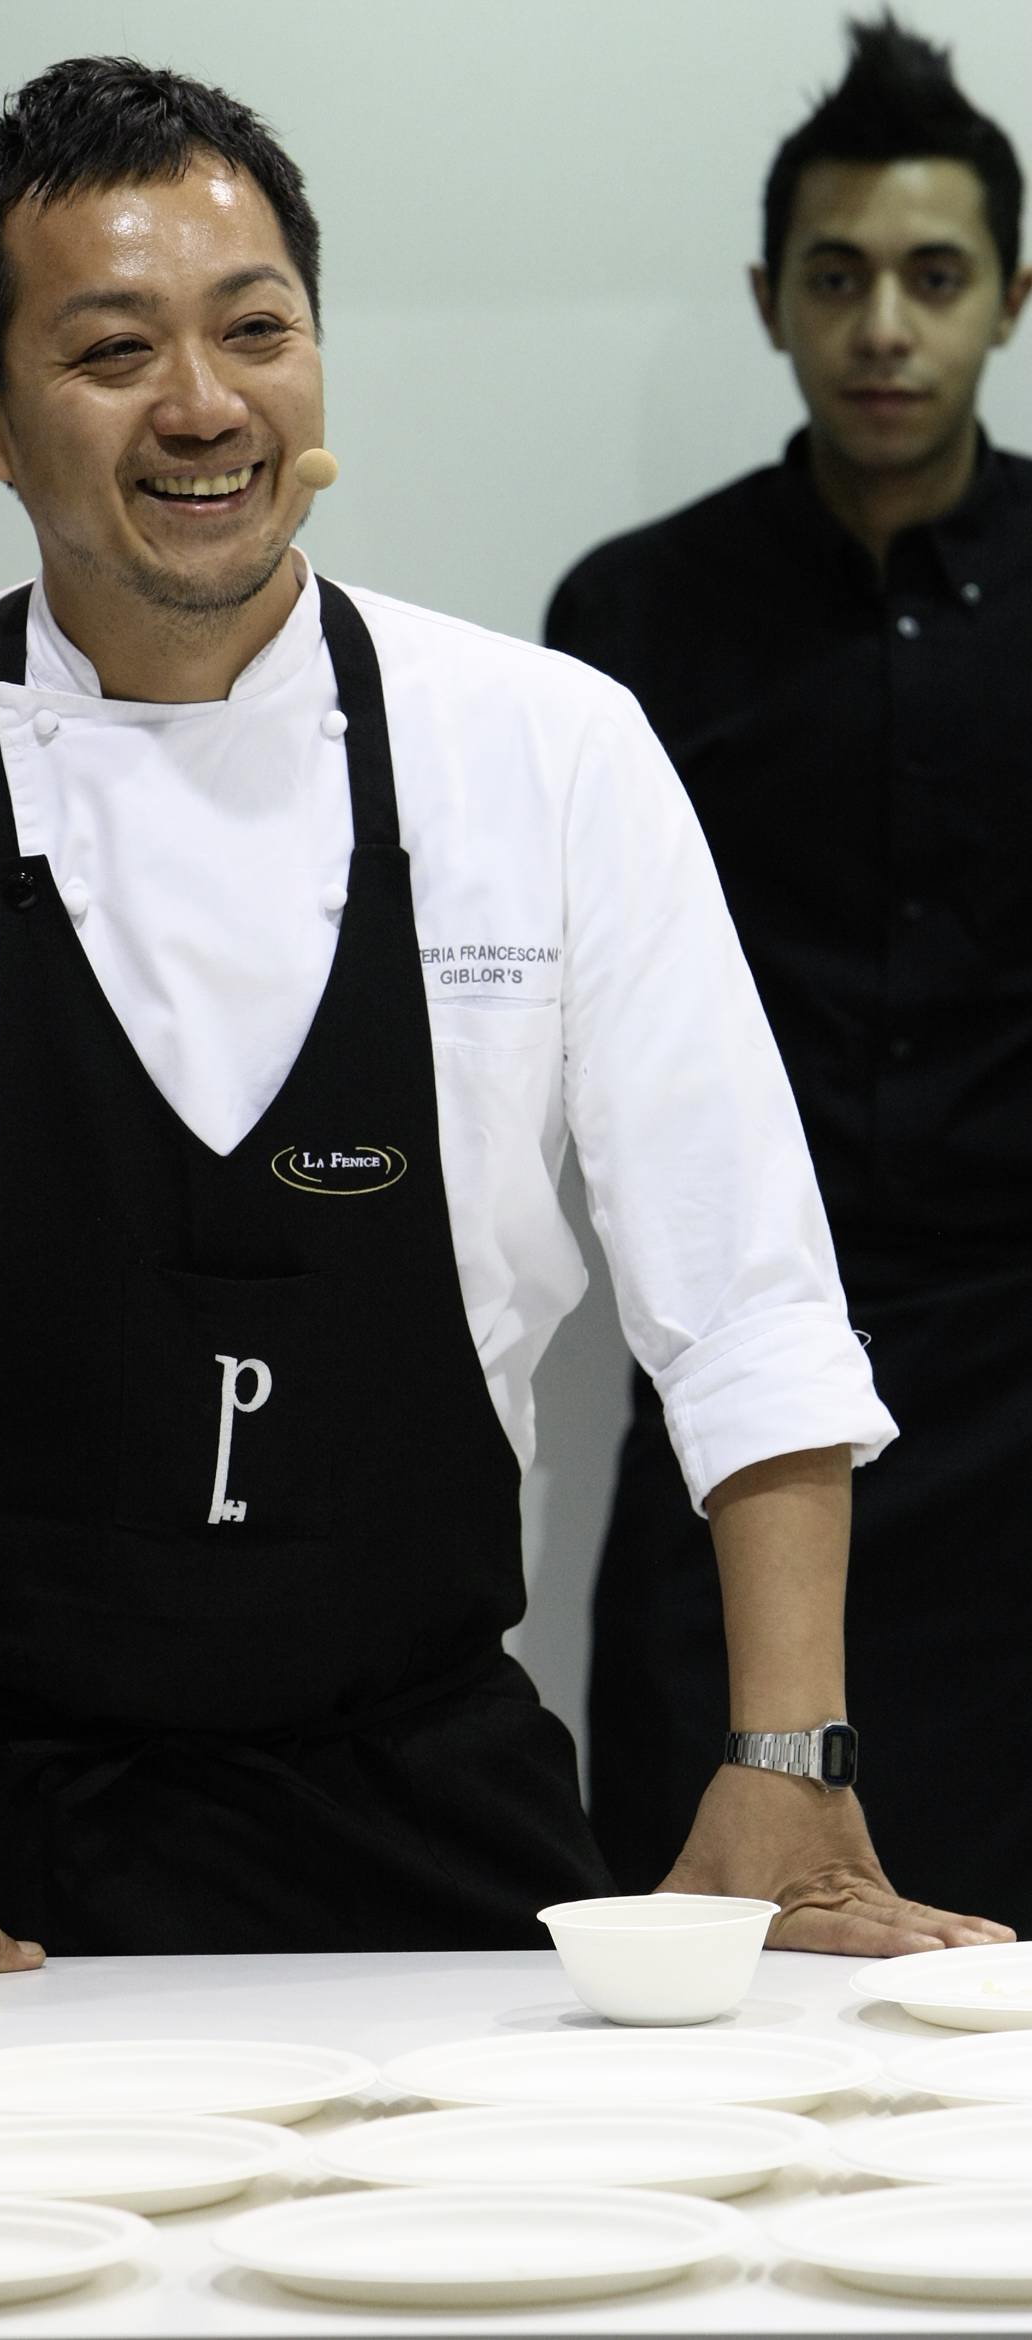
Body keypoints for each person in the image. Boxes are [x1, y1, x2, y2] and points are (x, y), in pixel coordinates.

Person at [0, 55, 1006, 2025]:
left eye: (256, 331)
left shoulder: (543, 752)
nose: (204, 405)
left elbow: (749, 1304)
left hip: (442, 1828)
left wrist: (790, 1757)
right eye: (113, 351)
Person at [546, 15, 1032, 1929]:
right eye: (836, 278)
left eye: (934, 277)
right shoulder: (634, 616)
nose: (883, 329)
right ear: (770, 300)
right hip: (735, 1411)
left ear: (1012, 298)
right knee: (702, 1951)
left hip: (1022, 1383)